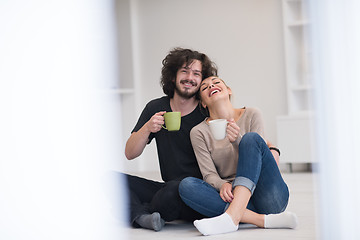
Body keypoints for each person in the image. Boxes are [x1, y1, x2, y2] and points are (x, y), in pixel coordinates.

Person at [178, 76, 298, 236]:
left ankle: (232, 216)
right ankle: (261, 220)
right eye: (204, 87)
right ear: (203, 103)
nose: (211, 86)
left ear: (229, 90)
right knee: (186, 186)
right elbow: (209, 174)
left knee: (251, 139)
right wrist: (222, 185)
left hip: (268, 197)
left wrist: (237, 141)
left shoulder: (252, 114)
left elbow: (260, 158)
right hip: (231, 197)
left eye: (216, 82)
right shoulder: (198, 132)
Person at [121, 48, 218, 231]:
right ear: (173, 77)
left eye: (196, 73)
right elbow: (130, 153)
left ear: (201, 81)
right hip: (169, 189)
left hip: (199, 192)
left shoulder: (207, 111)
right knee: (111, 181)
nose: (190, 77)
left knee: (175, 190)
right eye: (184, 71)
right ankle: (141, 216)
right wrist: (147, 128)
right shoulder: (156, 108)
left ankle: (141, 213)